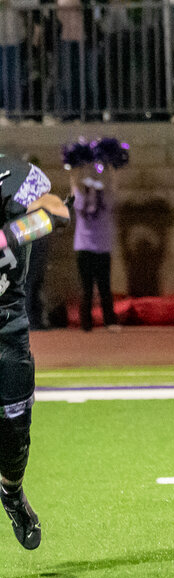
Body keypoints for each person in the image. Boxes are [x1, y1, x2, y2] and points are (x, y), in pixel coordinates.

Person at [0, 155, 69, 550]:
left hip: (7, 325)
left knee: (14, 437)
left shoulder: (12, 175)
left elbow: (56, 212)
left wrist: (7, 236)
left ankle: (11, 494)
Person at [70, 147, 118, 333]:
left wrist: (75, 167)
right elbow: (113, 187)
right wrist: (112, 169)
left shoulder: (83, 201)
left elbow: (74, 185)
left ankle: (88, 323)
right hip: (97, 249)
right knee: (100, 287)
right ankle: (107, 321)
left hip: (87, 249)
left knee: (90, 287)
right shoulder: (103, 201)